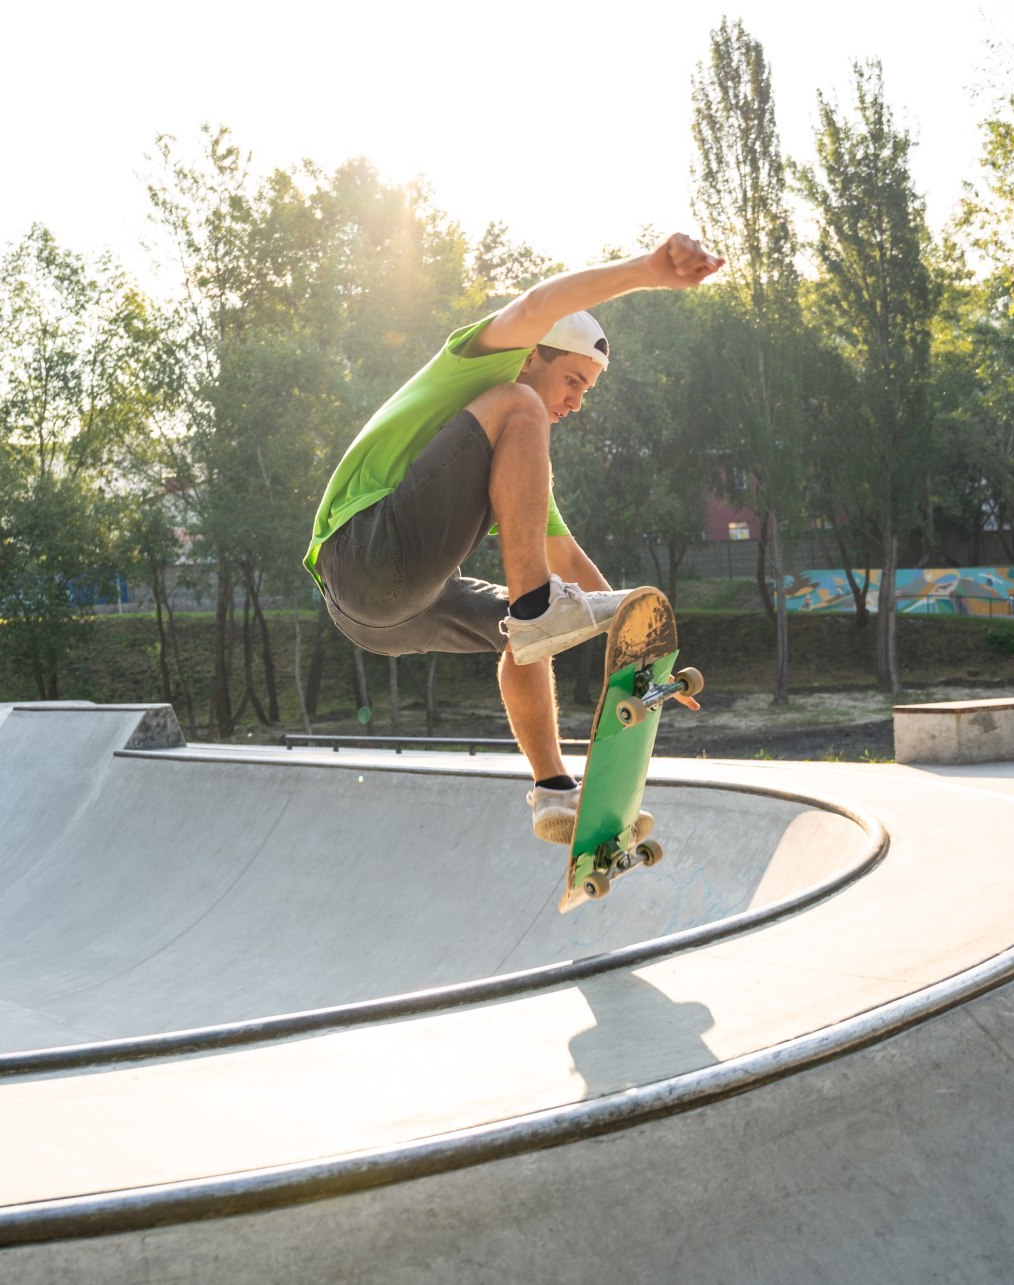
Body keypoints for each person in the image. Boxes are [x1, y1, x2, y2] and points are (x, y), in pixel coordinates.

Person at [303, 234, 723, 843]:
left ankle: (553, 792)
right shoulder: (487, 369)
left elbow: (566, 557)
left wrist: (635, 651)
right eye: (574, 381)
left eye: (587, 392)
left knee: (523, 636)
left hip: (375, 618)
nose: (577, 403)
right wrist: (647, 270)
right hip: (360, 550)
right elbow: (533, 306)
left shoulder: (513, 467)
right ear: (532, 355)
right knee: (534, 598)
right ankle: (535, 608)